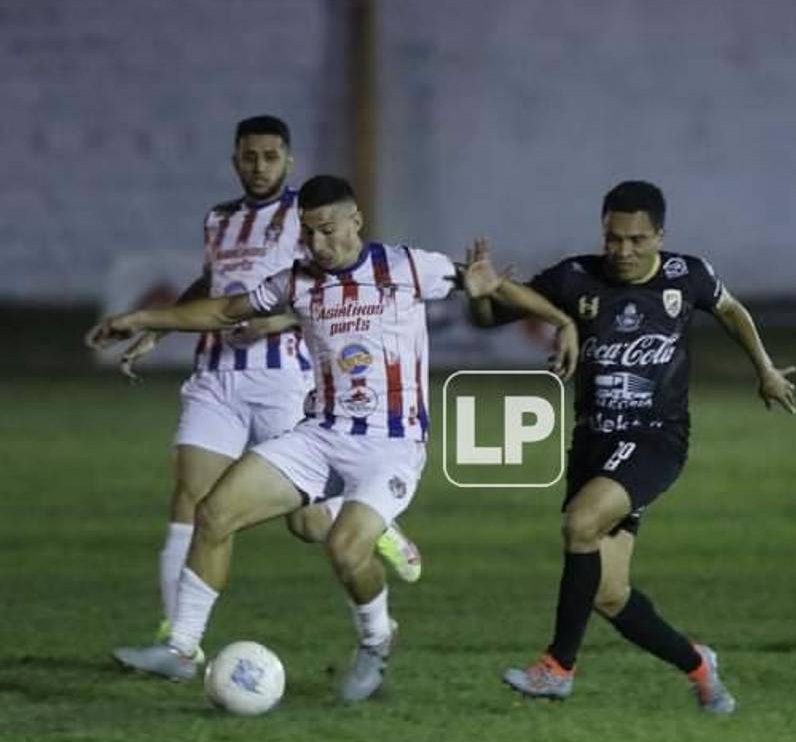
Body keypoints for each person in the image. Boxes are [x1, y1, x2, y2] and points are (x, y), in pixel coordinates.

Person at [87, 174, 578, 701]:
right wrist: (141, 317)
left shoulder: (407, 266)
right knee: (214, 513)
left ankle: (375, 641)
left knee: (345, 548)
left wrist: (560, 320)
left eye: (327, 230)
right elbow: (225, 309)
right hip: (320, 436)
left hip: (392, 445)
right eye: (308, 232)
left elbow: (488, 288)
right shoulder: (297, 281)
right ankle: (182, 648)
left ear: (355, 221)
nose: (317, 243)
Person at [468, 180, 796, 714]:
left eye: (637, 240)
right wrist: (480, 291)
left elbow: (732, 310)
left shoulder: (687, 276)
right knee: (607, 592)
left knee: (580, 523)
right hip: (593, 442)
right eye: (613, 239)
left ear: (660, 236)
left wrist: (765, 369)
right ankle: (699, 666)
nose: (623, 251)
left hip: (654, 438)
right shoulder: (574, 277)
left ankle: (558, 667)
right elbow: (489, 317)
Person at [112, 117, 422, 664]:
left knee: (307, 523)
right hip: (217, 375)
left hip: (285, 378)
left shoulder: (310, 216)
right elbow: (211, 286)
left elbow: (331, 289)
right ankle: (178, 640)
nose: (259, 166)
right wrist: (158, 327)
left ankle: (375, 524)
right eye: (249, 156)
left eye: (270, 156)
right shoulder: (219, 219)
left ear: (289, 160)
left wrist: (279, 322)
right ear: (235, 159)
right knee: (193, 500)